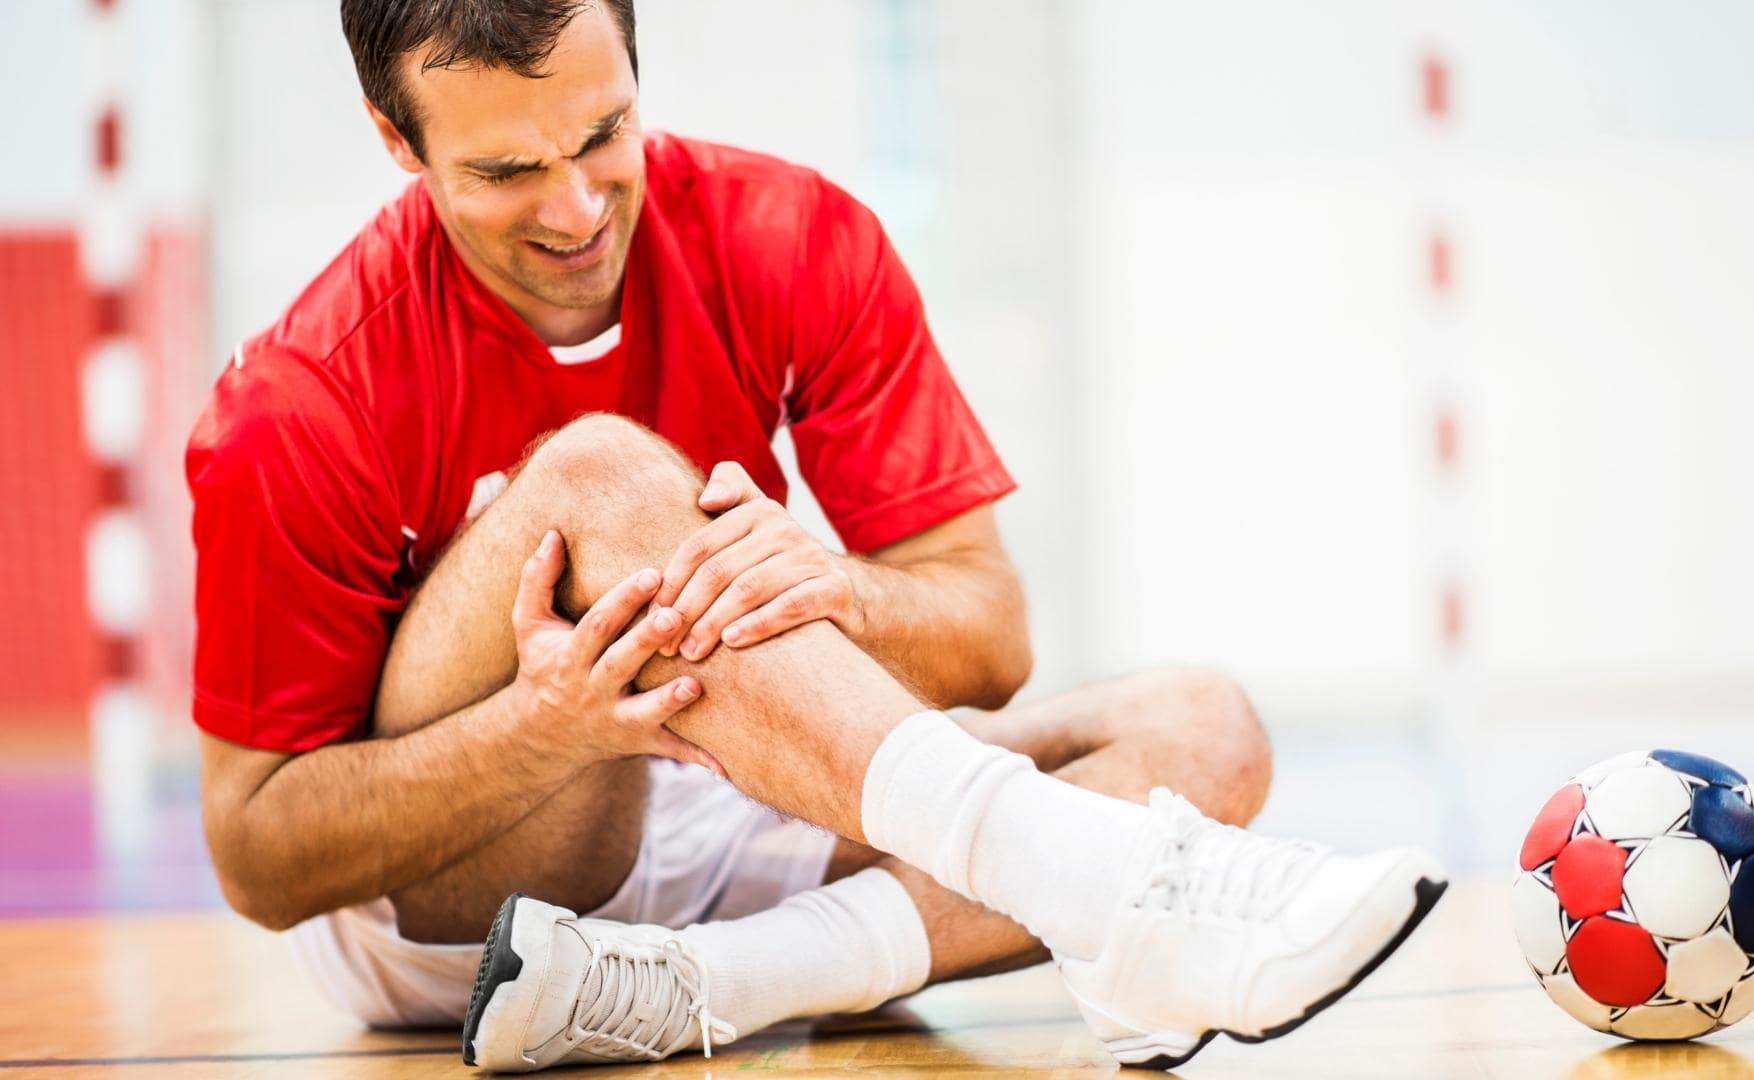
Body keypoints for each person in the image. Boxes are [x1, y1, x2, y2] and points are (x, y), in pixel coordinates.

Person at [186, 0, 1446, 1072]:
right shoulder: (299, 404)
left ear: (635, 73)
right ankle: (1105, 890)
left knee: (1202, 735)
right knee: (599, 474)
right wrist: (544, 728)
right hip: (465, 879)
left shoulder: (789, 238)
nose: (574, 209)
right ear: (395, 140)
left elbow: (989, 636)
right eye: (506, 173)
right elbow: (262, 857)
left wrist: (841, 591)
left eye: (604, 135)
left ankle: (706, 981)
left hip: (725, 800)